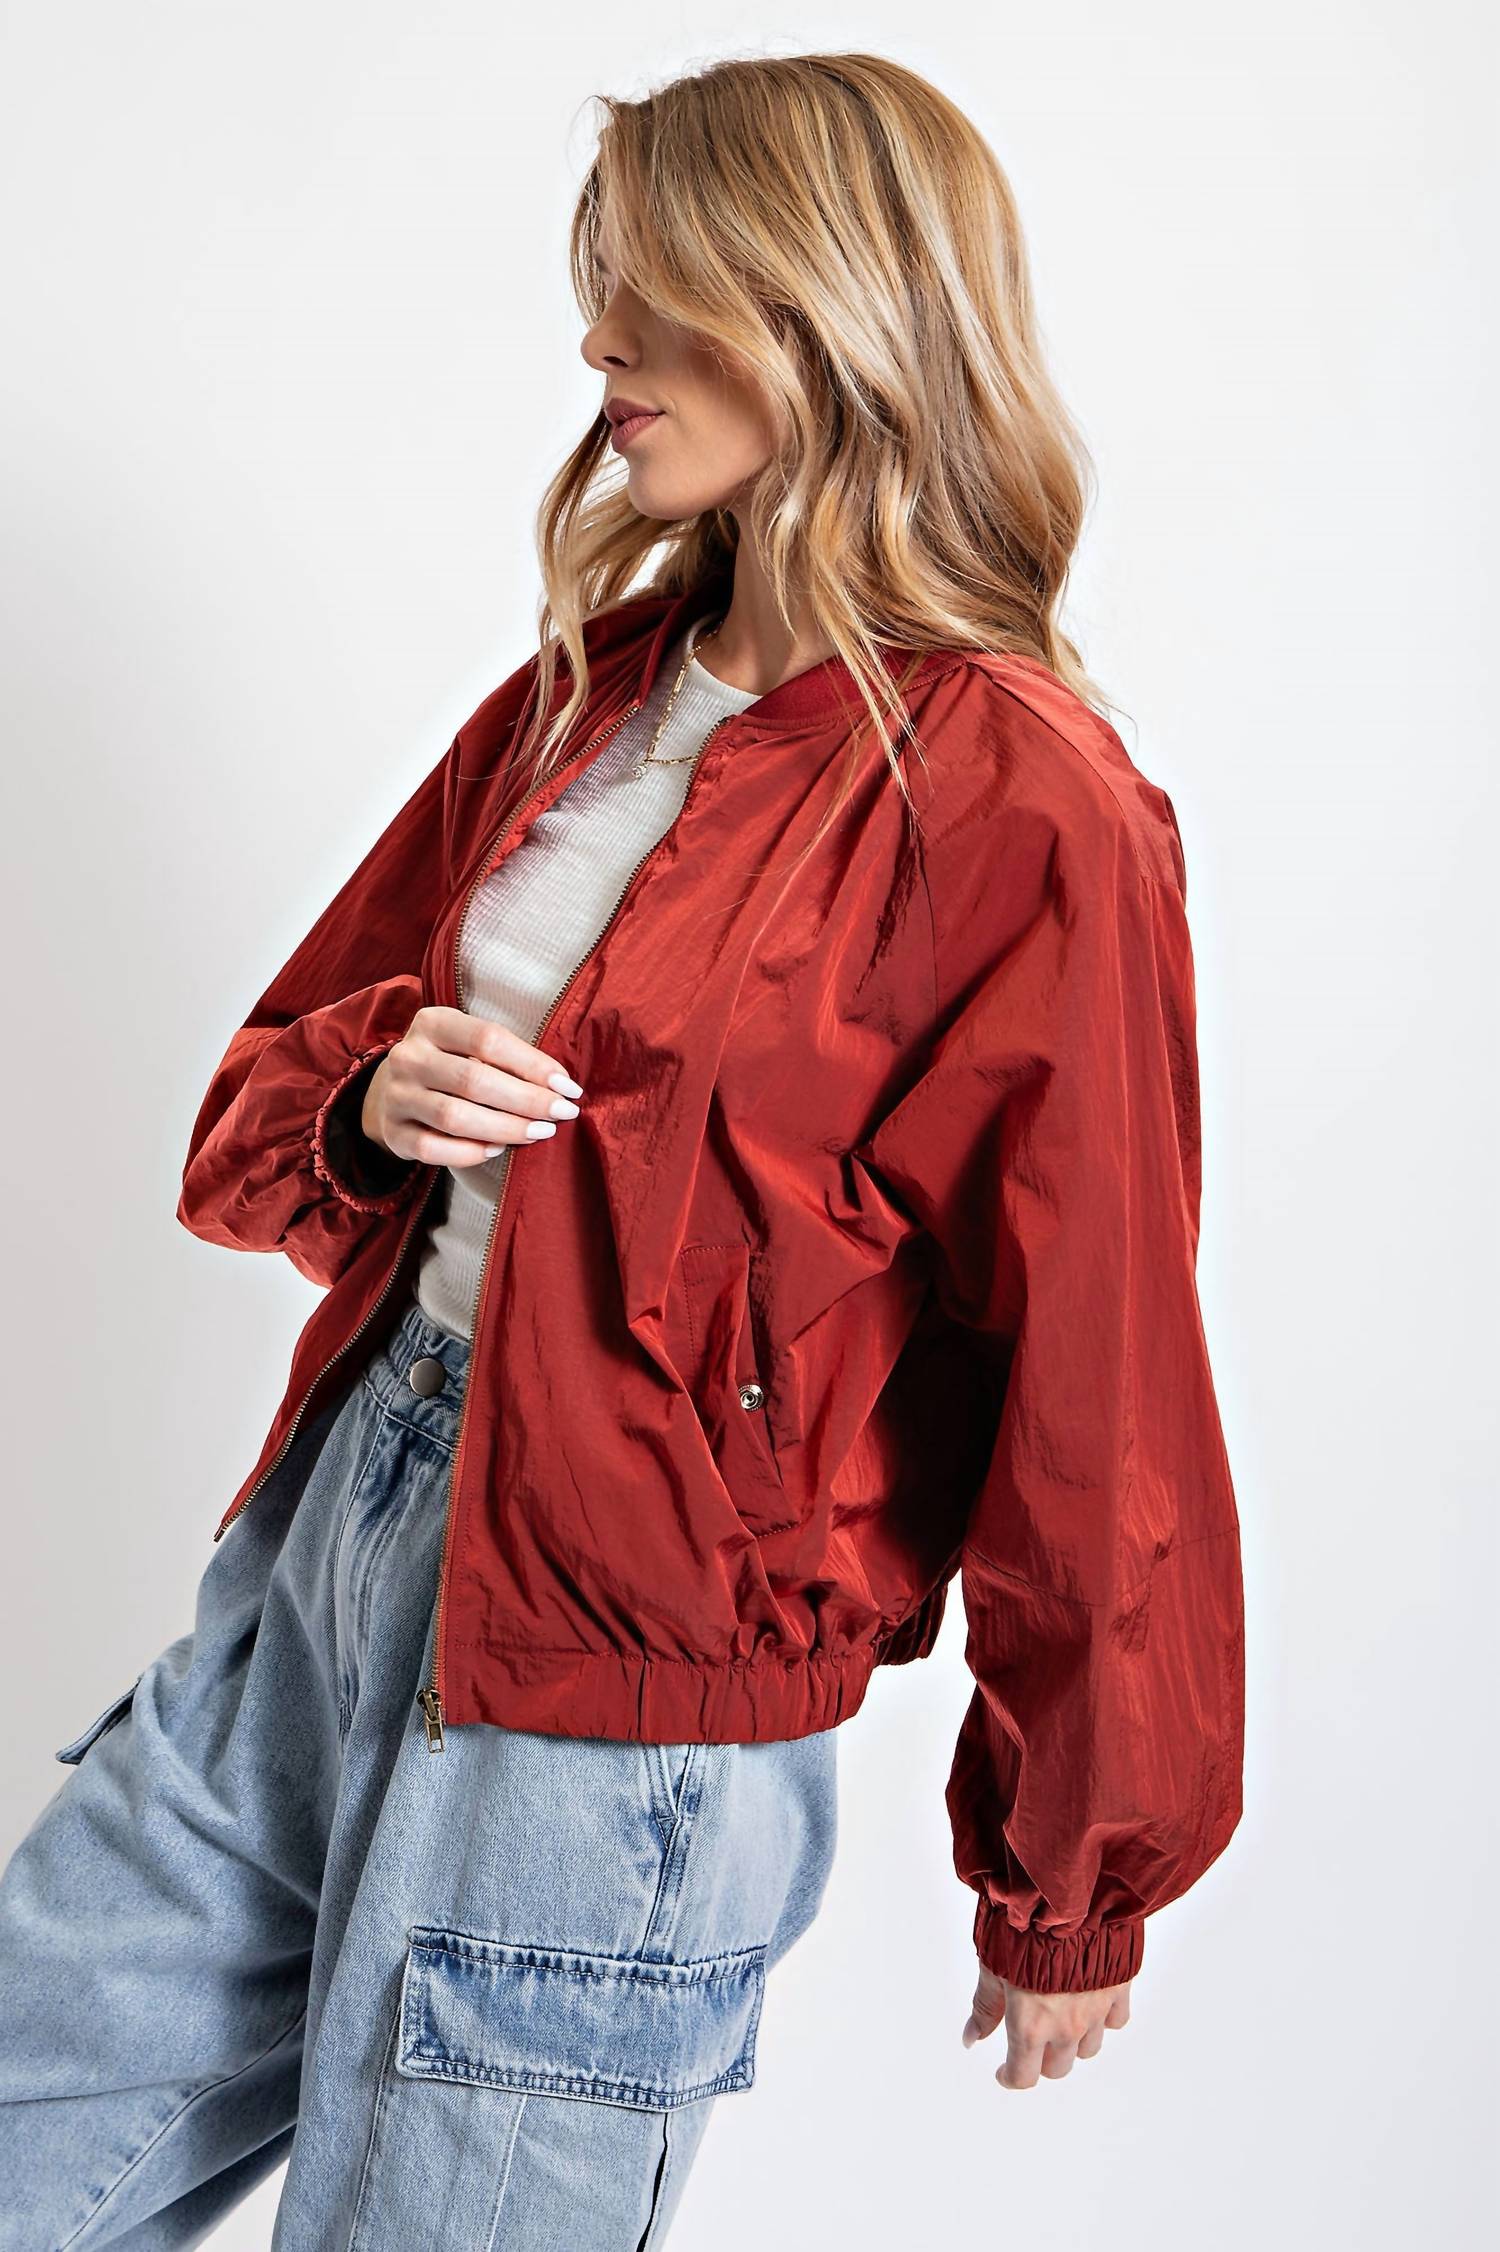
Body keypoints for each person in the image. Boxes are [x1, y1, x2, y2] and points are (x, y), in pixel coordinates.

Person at [0, 47, 1245, 2250]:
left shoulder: (1028, 802)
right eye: (607, 289)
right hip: (345, 1538)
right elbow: (257, 1108)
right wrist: (375, 1091)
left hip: (616, 1705)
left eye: (663, 294)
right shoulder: (592, 690)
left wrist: (1077, 1871)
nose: (600, 346)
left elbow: (1102, 1366)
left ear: (828, 313)